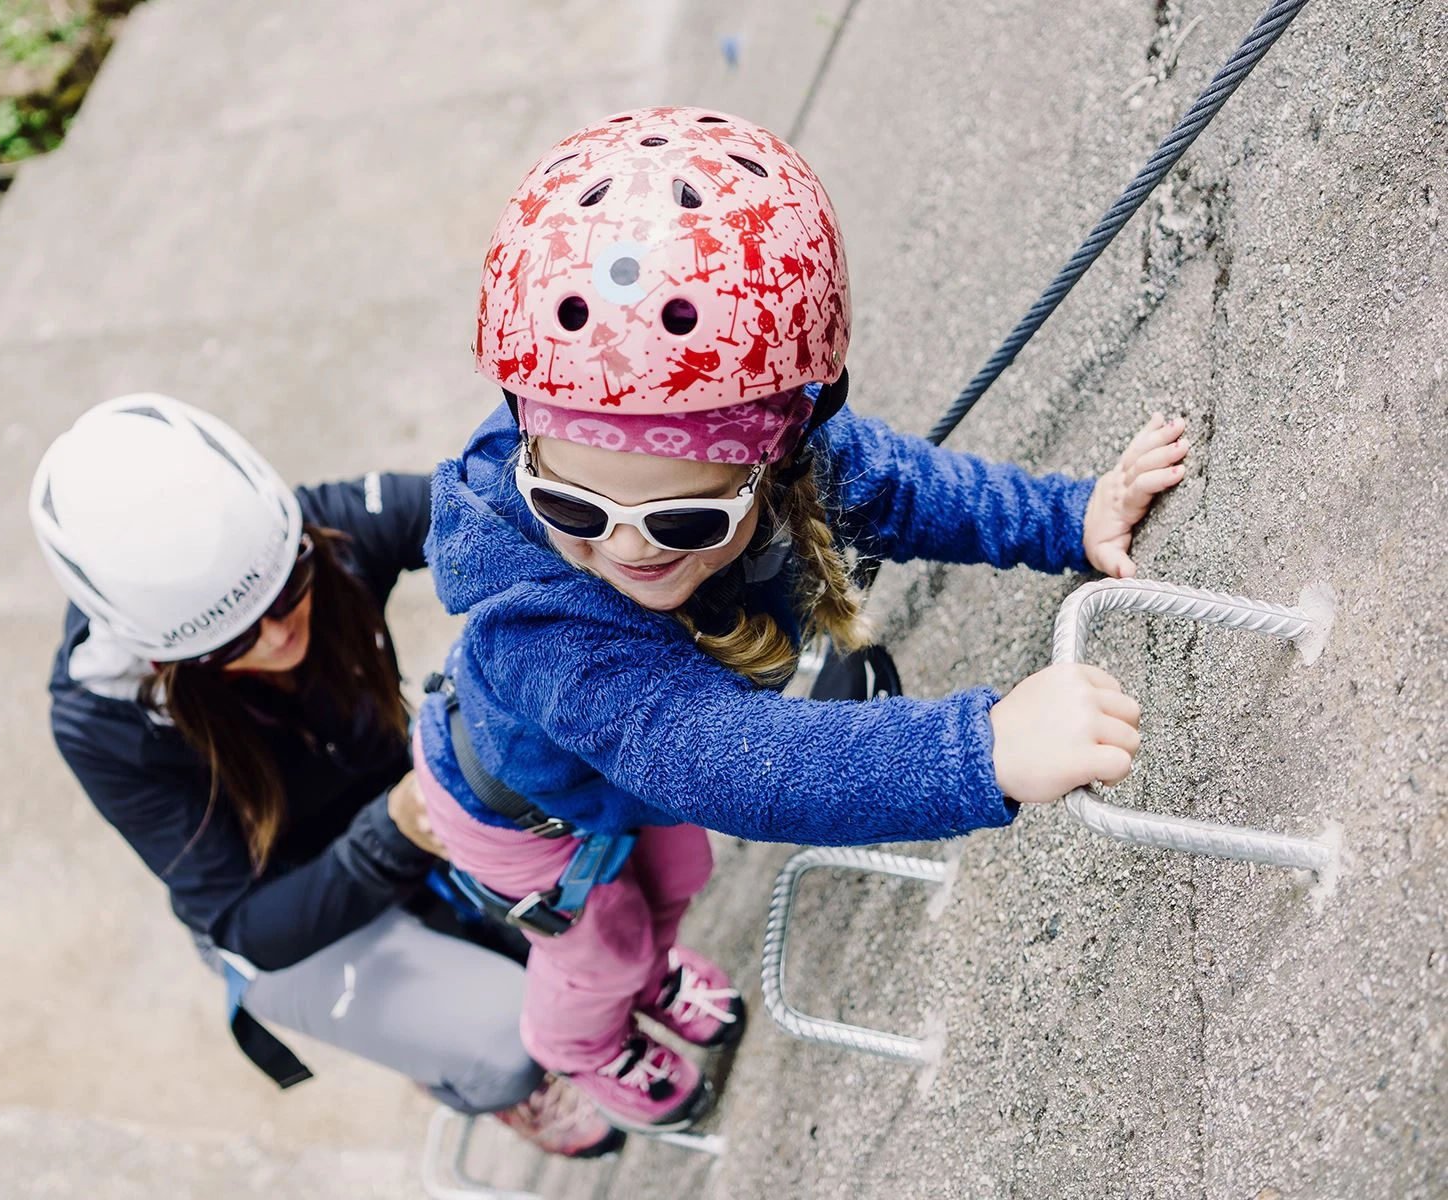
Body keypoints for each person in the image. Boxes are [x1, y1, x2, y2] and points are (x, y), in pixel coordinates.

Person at [410, 107, 1190, 1133]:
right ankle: (586, 1045)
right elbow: (725, 759)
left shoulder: (794, 448)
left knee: (673, 874)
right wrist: (980, 748)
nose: (627, 548)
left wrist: (1066, 517)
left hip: (616, 777)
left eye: (685, 517)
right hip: (521, 813)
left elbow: (907, 489)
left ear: (777, 454)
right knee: (599, 936)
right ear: (528, 449)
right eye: (574, 510)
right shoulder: (539, 623)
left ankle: (654, 973)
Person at [29, 394, 624, 1158]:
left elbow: (491, 508)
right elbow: (245, 926)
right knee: (510, 1042)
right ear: (157, 659)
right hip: (291, 908)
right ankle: (482, 1080)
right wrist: (394, 833)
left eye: (287, 592)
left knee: (598, 878)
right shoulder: (104, 724)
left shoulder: (292, 536)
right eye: (230, 641)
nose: (280, 635)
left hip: (401, 800)